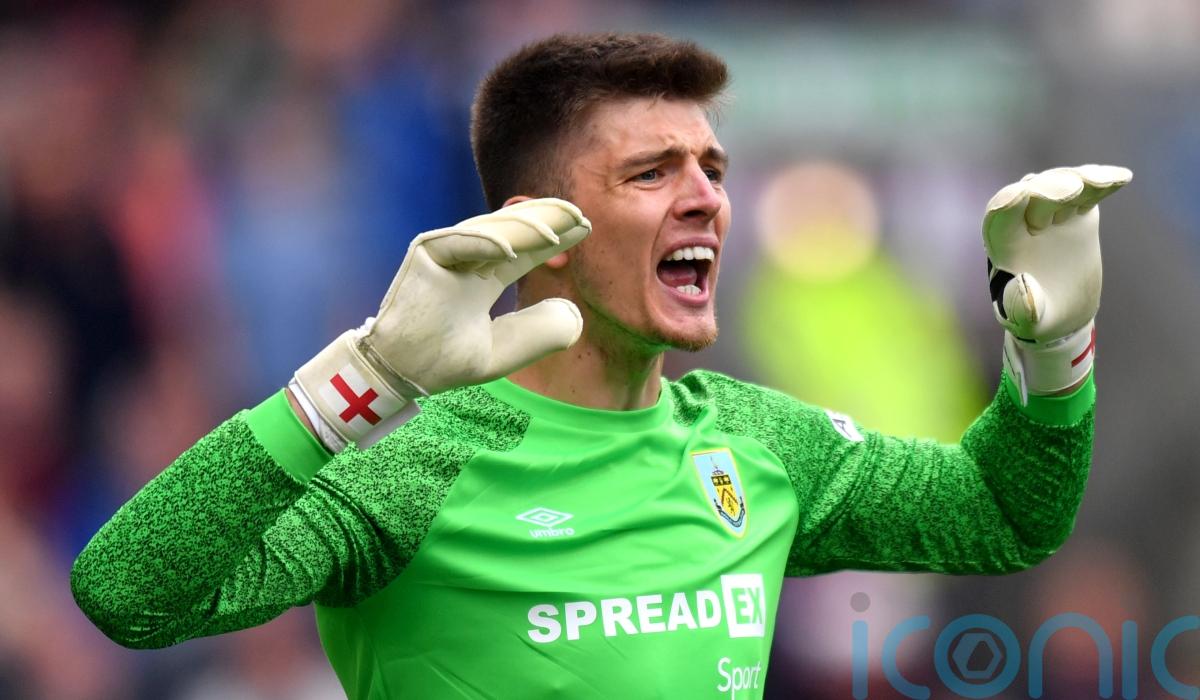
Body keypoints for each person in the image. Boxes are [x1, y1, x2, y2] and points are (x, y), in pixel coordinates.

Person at [72, 32, 1131, 699]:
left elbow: (1005, 513)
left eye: (713, 167)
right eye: (653, 172)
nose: (707, 199)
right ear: (539, 229)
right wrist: (365, 380)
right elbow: (128, 592)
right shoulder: (414, 470)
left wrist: (1052, 350)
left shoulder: (756, 442)